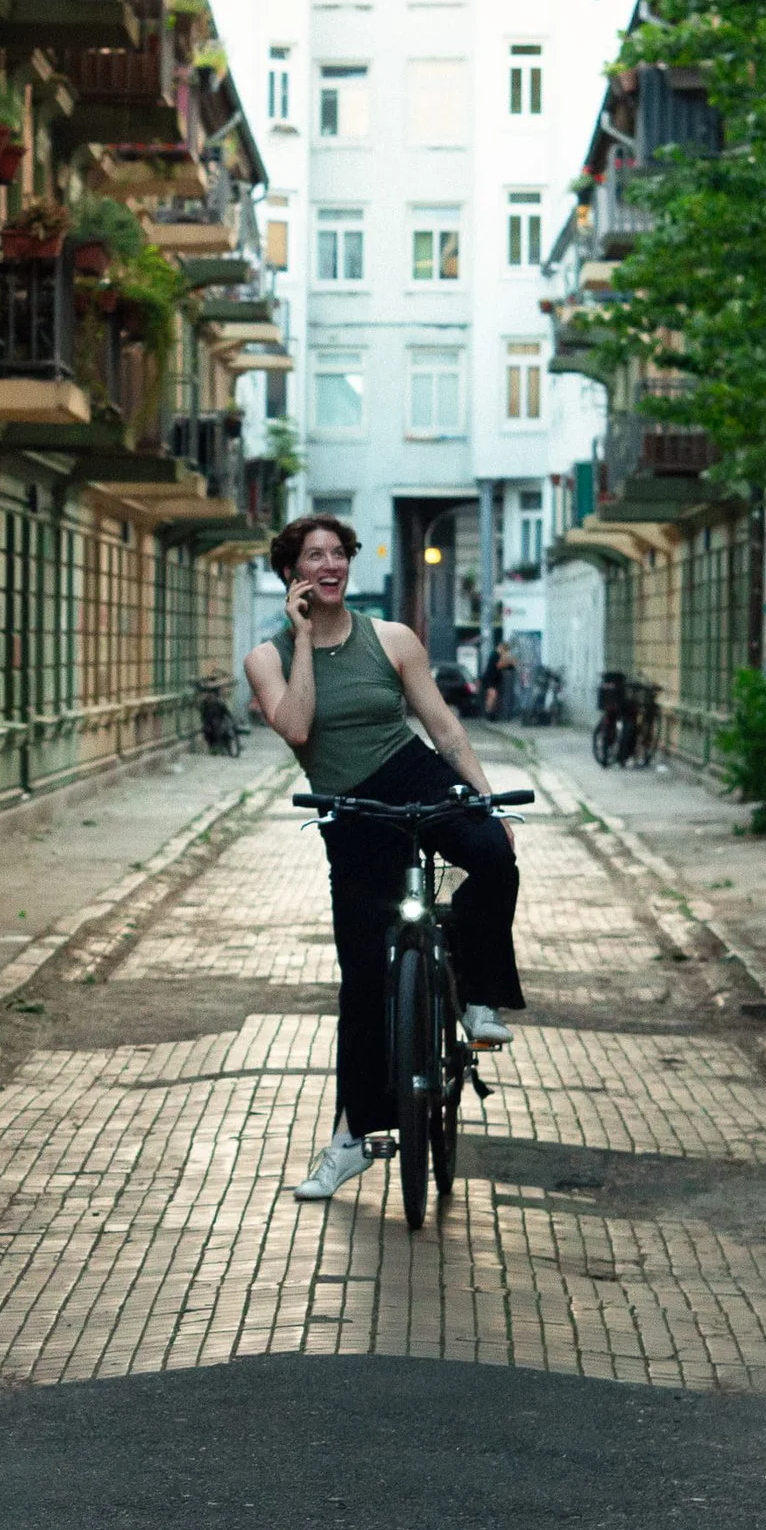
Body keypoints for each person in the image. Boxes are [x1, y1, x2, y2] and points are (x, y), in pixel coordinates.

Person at [242, 514, 527, 1202]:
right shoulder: (267, 658)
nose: (330, 564)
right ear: (292, 574)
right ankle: (354, 1138)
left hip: (411, 772)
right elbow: (299, 727)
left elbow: (444, 727)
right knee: (364, 983)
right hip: (347, 810)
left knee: (492, 853)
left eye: (339, 553)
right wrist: (305, 637)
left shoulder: (392, 639)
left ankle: (479, 995)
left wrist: (484, 799)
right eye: (314, 555)